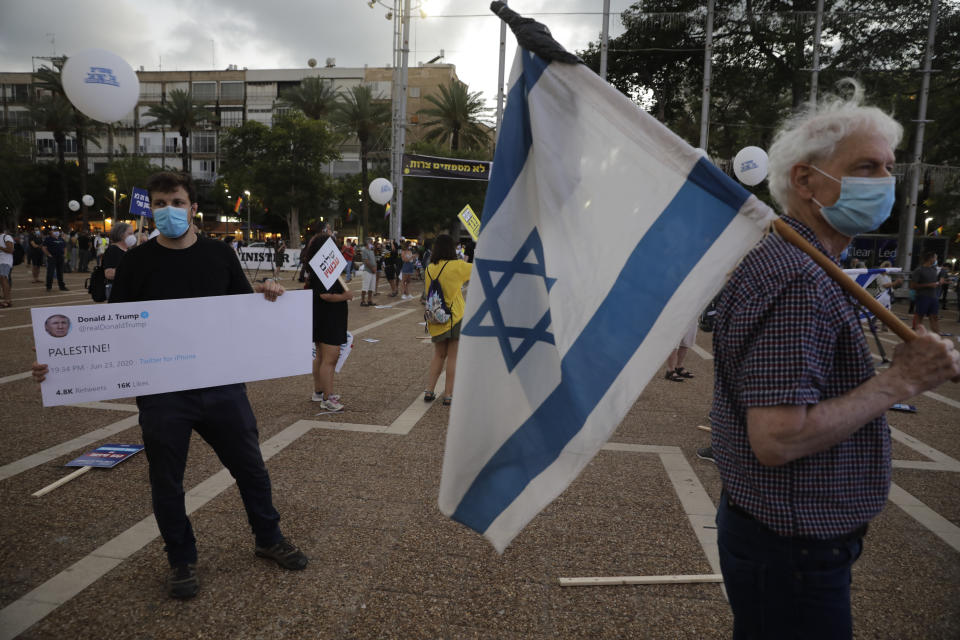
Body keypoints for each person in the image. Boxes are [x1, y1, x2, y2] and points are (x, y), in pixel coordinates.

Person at [709, 81, 960, 639]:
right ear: (805, 179)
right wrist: (899, 380)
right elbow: (777, 439)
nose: (886, 183)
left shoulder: (804, 261)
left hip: (775, 535)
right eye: (868, 167)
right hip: (791, 547)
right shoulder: (800, 276)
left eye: (889, 168)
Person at [32, 172, 308, 600]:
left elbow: (245, 311)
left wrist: (269, 292)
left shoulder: (220, 255)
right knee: (167, 481)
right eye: (160, 203)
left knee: (251, 468)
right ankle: (181, 559)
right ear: (150, 209)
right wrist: (57, 364)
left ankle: (268, 537)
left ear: (192, 207)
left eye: (176, 202)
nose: (168, 211)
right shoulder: (137, 262)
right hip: (163, 394)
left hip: (221, 387)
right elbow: (110, 327)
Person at [304, 232, 353, 411]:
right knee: (330, 359)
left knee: (320, 356)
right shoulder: (322, 269)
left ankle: (319, 391)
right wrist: (344, 296)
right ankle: (328, 398)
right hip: (329, 318)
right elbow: (325, 295)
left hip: (320, 316)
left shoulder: (316, 268)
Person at [422, 234, 472, 406]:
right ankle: (448, 394)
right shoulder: (457, 266)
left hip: (436, 317)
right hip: (455, 317)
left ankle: (429, 390)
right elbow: (479, 269)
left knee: (438, 354)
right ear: (452, 248)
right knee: (453, 357)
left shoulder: (430, 268)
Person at [101, 222, 137, 301]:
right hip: (116, 290)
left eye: (133, 234)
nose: (133, 236)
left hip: (128, 289)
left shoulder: (128, 250)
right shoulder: (113, 250)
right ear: (121, 235)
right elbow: (108, 274)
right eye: (130, 234)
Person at [910, 251, 944, 334]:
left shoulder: (934, 269)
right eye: (935, 258)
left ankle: (937, 338)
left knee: (934, 317)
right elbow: (913, 286)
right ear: (930, 258)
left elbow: (934, 282)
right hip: (923, 297)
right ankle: (917, 336)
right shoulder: (919, 270)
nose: (936, 260)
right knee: (920, 316)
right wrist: (928, 285)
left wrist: (939, 282)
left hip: (933, 297)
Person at [41, 227, 68, 291]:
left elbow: (65, 247)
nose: (56, 232)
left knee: (60, 273)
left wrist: (64, 255)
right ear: (51, 232)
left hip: (60, 257)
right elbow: (44, 248)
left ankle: (62, 287)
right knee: (50, 272)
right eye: (55, 231)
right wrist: (49, 255)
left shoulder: (61, 239)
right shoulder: (48, 239)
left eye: (57, 231)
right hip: (52, 257)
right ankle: (49, 287)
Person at [359, 237, 377, 306]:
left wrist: (375, 267)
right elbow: (366, 261)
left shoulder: (371, 251)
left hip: (373, 271)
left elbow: (374, 260)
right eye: (371, 242)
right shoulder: (364, 250)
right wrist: (372, 268)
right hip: (367, 271)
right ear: (367, 243)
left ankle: (369, 300)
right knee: (365, 287)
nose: (372, 244)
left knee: (371, 287)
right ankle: (362, 301)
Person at [0, 226, 15, 308]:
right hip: (1, 262)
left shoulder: (6, 237)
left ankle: (7, 301)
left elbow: (10, 250)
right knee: (2, 281)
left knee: (4, 279)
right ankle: (6, 299)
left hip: (5, 261)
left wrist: (0, 247)